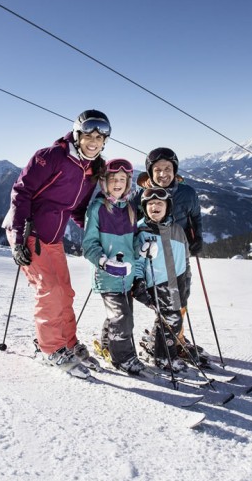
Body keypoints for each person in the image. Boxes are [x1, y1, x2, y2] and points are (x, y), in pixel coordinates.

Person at [3, 109, 110, 379]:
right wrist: (18, 238)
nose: (94, 140)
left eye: (100, 136)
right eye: (89, 134)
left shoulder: (91, 169)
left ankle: (68, 343)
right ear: (77, 134)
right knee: (49, 290)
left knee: (65, 291)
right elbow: (21, 192)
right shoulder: (51, 157)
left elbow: (78, 210)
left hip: (53, 237)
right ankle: (48, 347)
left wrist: (97, 235)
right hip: (29, 231)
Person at [132, 147, 204, 363]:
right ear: (150, 172)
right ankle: (169, 342)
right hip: (155, 259)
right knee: (164, 302)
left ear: (175, 170)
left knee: (181, 299)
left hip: (180, 255)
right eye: (157, 170)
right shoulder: (141, 196)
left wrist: (197, 238)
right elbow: (132, 224)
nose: (163, 174)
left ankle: (173, 338)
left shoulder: (187, 193)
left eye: (167, 169)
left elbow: (195, 217)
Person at [82, 158, 145, 375]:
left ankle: (108, 346)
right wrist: (103, 262)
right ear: (104, 182)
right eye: (112, 179)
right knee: (122, 318)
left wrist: (142, 249)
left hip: (126, 276)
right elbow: (88, 244)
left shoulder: (129, 208)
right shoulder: (97, 209)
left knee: (121, 316)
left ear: (128, 183)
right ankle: (123, 358)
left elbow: (133, 240)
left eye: (122, 179)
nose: (117, 183)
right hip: (107, 275)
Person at [131, 187, 189, 373]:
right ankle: (165, 357)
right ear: (145, 207)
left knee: (170, 319)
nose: (155, 206)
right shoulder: (142, 230)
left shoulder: (178, 230)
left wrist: (187, 281)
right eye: (151, 204)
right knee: (172, 319)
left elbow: (185, 259)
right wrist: (138, 281)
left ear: (167, 207)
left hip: (177, 281)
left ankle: (157, 348)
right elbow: (137, 260)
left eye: (160, 203)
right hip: (156, 282)